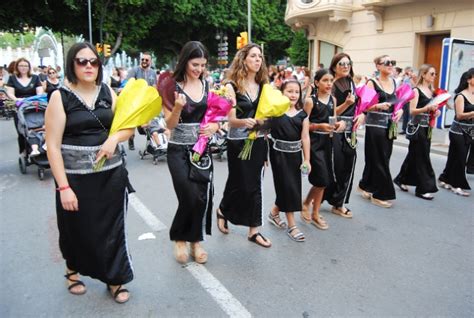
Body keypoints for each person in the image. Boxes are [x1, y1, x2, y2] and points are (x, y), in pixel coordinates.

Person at [45, 42, 134, 303]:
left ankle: (115, 278)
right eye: (82, 61)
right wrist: (64, 187)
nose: (88, 66)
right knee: (77, 229)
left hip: (111, 176)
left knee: (112, 228)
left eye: (93, 62)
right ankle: (72, 271)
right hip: (75, 179)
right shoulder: (60, 97)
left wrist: (113, 138)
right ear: (72, 65)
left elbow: (129, 125)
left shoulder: (108, 92)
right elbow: (52, 146)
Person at [163, 41, 217, 264]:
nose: (199, 69)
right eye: (195, 64)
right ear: (185, 61)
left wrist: (215, 126)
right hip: (177, 149)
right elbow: (170, 123)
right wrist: (177, 107)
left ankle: (196, 241)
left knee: (201, 196)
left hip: (202, 148)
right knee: (187, 194)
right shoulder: (170, 85)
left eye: (203, 65)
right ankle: (179, 237)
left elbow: (214, 115)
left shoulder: (207, 83)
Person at [217, 43, 272, 248]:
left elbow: (268, 115)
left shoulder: (264, 86)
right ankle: (223, 209)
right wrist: (244, 122)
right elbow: (230, 119)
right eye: (253, 56)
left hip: (258, 141)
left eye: (260, 57)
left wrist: (264, 130)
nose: (258, 60)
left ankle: (254, 230)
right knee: (239, 182)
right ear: (244, 59)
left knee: (255, 185)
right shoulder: (232, 86)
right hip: (237, 141)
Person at [302, 69, 345, 230]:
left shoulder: (333, 100)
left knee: (324, 180)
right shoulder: (310, 101)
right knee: (322, 179)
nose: (329, 83)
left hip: (328, 142)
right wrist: (319, 126)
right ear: (317, 83)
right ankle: (313, 211)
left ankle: (309, 205)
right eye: (325, 80)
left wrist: (339, 125)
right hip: (314, 143)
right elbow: (303, 125)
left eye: (331, 80)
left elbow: (333, 120)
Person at [267, 79, 310, 242]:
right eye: (289, 91)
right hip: (278, 155)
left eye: (296, 92)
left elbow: (305, 137)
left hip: (295, 156)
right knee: (287, 187)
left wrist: (307, 159)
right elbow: (265, 133)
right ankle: (292, 225)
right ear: (282, 92)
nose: (293, 95)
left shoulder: (303, 114)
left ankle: (274, 213)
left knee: (291, 186)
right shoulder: (275, 112)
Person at [358, 55, 403, 208]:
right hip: (375, 126)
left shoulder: (394, 82)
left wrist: (401, 111)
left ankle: (366, 185)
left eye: (393, 62)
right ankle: (380, 194)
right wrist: (377, 106)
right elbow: (363, 107)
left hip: (389, 125)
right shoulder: (372, 83)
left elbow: (397, 103)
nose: (391, 65)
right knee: (380, 159)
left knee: (379, 158)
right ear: (378, 66)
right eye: (387, 63)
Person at [323, 53, 364, 218]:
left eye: (348, 63)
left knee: (349, 166)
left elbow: (360, 105)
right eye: (341, 64)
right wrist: (346, 104)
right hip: (336, 130)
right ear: (334, 67)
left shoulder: (352, 83)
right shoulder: (331, 85)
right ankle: (324, 197)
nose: (345, 66)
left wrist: (363, 115)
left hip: (350, 130)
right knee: (336, 167)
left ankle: (338, 203)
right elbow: (329, 111)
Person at [393, 64, 440, 200]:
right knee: (422, 157)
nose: (434, 76)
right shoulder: (416, 90)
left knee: (414, 155)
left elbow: (432, 110)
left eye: (435, 74)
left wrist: (435, 112)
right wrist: (427, 108)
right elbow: (412, 111)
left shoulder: (432, 91)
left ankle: (401, 178)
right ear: (423, 74)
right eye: (431, 73)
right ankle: (423, 188)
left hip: (427, 128)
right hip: (417, 128)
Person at [438, 68, 474, 196]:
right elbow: (459, 115)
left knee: (454, 157)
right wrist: (472, 113)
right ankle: (457, 184)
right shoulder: (461, 95)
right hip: (458, 131)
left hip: (470, 131)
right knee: (460, 158)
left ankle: (444, 178)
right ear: (469, 80)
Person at [5, 57, 44, 154]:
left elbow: (39, 90)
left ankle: (39, 147)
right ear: (17, 67)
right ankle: (24, 151)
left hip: (33, 105)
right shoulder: (13, 78)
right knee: (22, 130)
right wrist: (16, 99)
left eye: (26, 66)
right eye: (21, 66)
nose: (23, 68)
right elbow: (10, 93)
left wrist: (36, 98)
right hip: (20, 106)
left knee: (39, 127)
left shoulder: (35, 78)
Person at [126, 52, 156, 150]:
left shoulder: (152, 72)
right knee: (133, 123)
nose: (144, 61)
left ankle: (151, 143)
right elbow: (128, 84)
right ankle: (131, 139)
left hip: (147, 101)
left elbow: (154, 87)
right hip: (135, 101)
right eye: (142, 59)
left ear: (150, 61)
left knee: (148, 124)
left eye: (146, 60)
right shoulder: (134, 70)